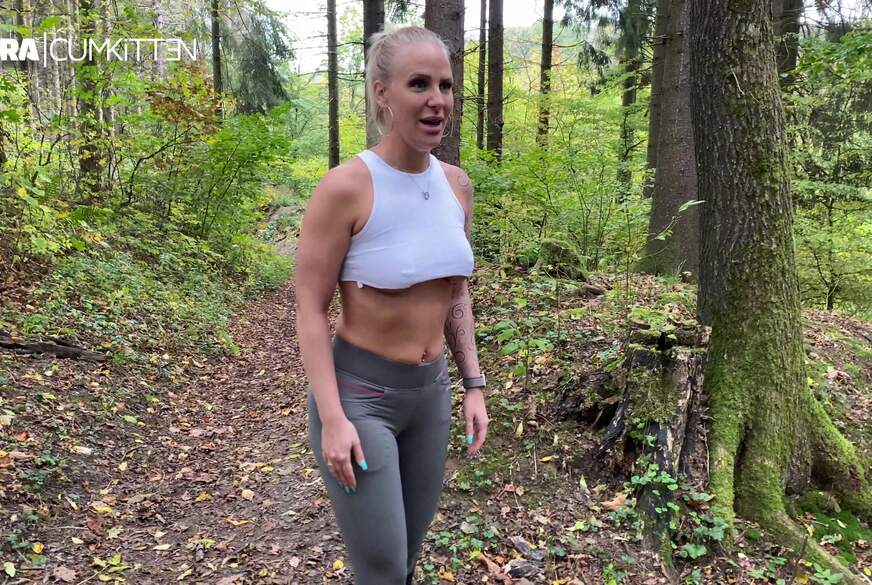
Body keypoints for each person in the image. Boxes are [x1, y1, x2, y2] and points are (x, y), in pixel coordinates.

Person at [294, 25, 490, 585]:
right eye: (419, 84)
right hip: (361, 398)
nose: (438, 100)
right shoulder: (346, 187)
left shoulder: (457, 185)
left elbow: (456, 291)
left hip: (431, 396)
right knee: (380, 565)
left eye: (446, 85)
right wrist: (333, 419)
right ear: (383, 93)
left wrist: (473, 384)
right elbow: (310, 309)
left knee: (404, 559)